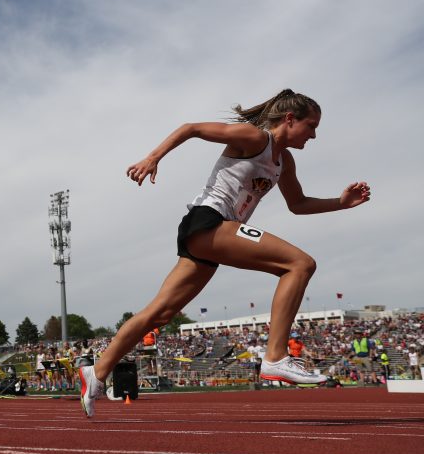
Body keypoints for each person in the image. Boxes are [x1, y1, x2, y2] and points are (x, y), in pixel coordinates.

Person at [78, 89, 371, 417]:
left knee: (159, 313)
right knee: (299, 264)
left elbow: (298, 204)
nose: (315, 134)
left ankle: (96, 372)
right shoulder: (254, 138)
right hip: (209, 222)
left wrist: (340, 203)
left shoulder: (284, 161)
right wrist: (153, 158)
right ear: (290, 119)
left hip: (212, 238)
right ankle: (275, 358)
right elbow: (191, 128)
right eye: (311, 125)